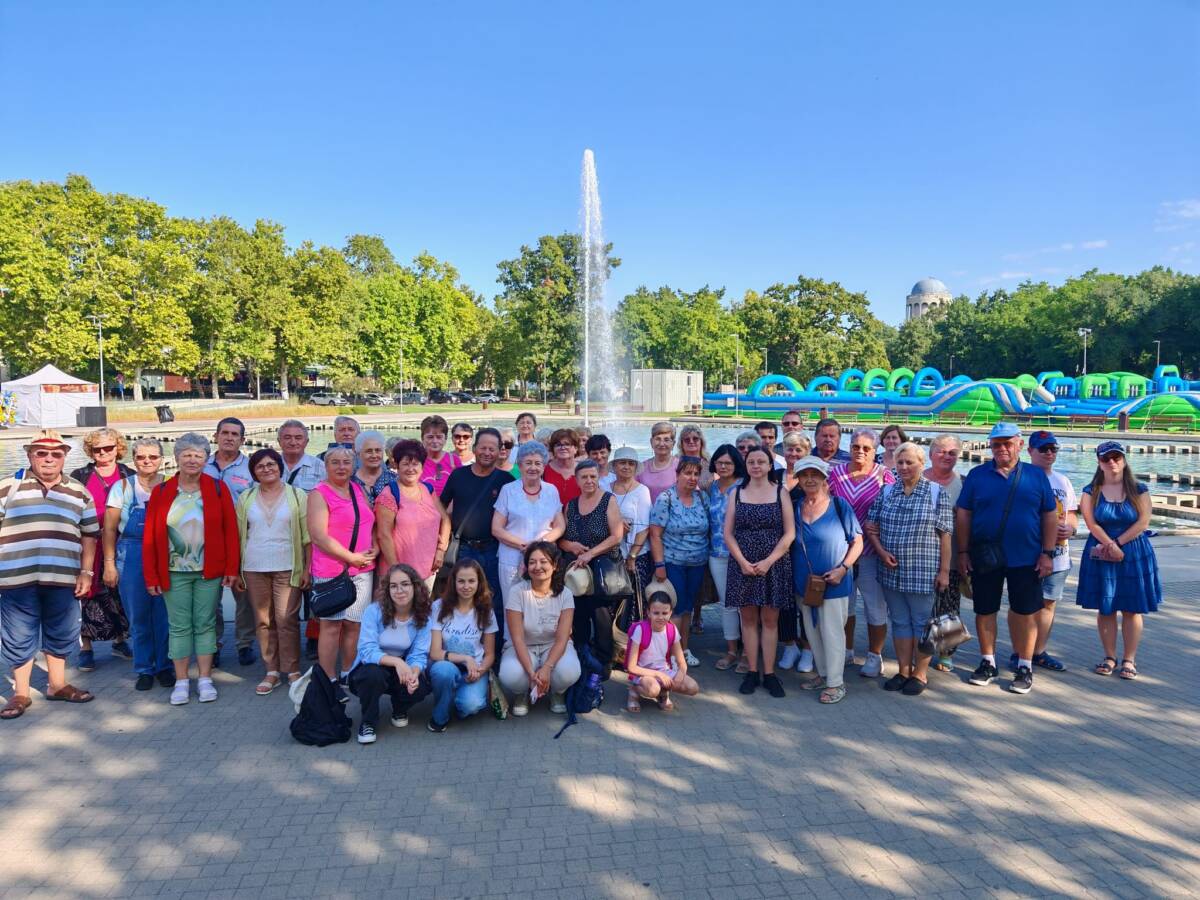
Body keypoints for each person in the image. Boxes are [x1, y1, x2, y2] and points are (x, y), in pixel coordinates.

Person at [0, 430, 100, 720]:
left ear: (65, 457)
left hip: (63, 575)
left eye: (56, 454)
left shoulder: (79, 491)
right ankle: (21, 693)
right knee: (18, 634)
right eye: (41, 453)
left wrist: (86, 572)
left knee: (61, 630)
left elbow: (90, 535)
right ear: (30, 455)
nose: (48, 459)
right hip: (16, 576)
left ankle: (57, 685)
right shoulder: (8, 486)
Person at [957, 423, 1057, 695]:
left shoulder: (1036, 476)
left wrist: (1048, 553)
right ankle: (987, 662)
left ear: (1020, 445)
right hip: (985, 556)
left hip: (1026, 556)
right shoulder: (977, 475)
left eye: (1007, 443)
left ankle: (1025, 665)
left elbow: (1049, 515)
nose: (1002, 448)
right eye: (996, 444)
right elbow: (964, 514)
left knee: (1026, 612)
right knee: (985, 609)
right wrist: (963, 552)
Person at [144, 433, 240, 706]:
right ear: (176, 458)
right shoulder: (162, 491)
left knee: (205, 623)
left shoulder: (217, 488)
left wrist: (231, 568)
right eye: (186, 455)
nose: (192, 460)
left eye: (198, 455)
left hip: (209, 570)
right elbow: (150, 537)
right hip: (173, 571)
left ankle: (205, 678)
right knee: (179, 626)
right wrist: (151, 575)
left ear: (206, 460)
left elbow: (230, 531)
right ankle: (182, 681)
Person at [864, 442, 953, 696]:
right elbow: (871, 526)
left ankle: (920, 673)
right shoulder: (887, 491)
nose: (903, 467)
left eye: (909, 462)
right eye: (900, 462)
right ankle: (903, 670)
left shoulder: (936, 492)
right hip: (891, 570)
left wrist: (944, 571)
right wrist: (881, 551)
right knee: (900, 621)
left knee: (923, 623)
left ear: (921, 464)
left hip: (923, 571)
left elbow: (945, 535)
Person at [1076, 442, 1161, 681]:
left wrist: (1119, 543)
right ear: (1099, 462)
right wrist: (1110, 545)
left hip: (1134, 551)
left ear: (1124, 460)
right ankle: (1109, 657)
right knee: (1107, 607)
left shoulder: (1139, 489)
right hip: (1102, 549)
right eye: (1106, 458)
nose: (1112, 462)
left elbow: (1143, 522)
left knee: (1132, 608)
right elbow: (1091, 523)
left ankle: (1129, 660)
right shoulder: (1091, 490)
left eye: (1116, 457)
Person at [236, 448, 311, 695]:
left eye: (271, 464)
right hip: (254, 566)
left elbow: (307, 536)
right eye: (260, 466)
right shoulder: (246, 497)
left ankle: (292, 668)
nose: (266, 469)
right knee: (263, 620)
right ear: (253, 472)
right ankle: (271, 670)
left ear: (279, 467)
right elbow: (239, 534)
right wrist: (236, 570)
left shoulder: (297, 495)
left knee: (286, 618)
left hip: (288, 566)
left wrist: (307, 568)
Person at [724, 446, 795, 697]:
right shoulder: (736, 493)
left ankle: (770, 673)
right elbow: (728, 533)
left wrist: (768, 561)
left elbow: (789, 533)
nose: (756, 466)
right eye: (751, 462)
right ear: (746, 466)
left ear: (769, 465)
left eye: (761, 462)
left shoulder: (780, 492)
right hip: (742, 564)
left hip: (773, 564)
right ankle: (753, 671)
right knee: (748, 620)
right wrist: (743, 562)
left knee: (770, 620)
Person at [791, 457, 863, 705]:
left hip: (834, 582)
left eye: (815, 474)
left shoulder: (839, 506)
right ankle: (823, 674)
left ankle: (836, 682)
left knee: (833, 633)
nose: (809, 479)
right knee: (812, 632)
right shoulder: (795, 507)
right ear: (798, 479)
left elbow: (857, 542)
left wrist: (843, 569)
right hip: (805, 583)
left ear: (824, 477)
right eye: (804, 475)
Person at [308, 446, 378, 688]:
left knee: (354, 624)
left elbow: (369, 522)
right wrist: (350, 557)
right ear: (326, 466)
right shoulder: (319, 494)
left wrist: (375, 547)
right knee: (331, 626)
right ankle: (328, 677)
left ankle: (348, 670)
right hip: (332, 570)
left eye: (346, 463)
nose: (341, 467)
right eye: (335, 462)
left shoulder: (357, 489)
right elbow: (318, 536)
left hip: (362, 569)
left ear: (353, 466)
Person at [103, 438, 170, 691]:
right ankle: (144, 668)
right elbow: (110, 529)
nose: (147, 461)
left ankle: (165, 666)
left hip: (165, 552)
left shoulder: (171, 484)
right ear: (133, 460)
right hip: (131, 552)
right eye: (141, 457)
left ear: (161, 459)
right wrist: (109, 564)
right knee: (138, 614)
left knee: (164, 614)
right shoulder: (122, 487)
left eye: (153, 457)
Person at [829, 428, 895, 678]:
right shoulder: (836, 473)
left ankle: (874, 655)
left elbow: (892, 508)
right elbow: (825, 503)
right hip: (841, 552)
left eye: (866, 448)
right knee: (845, 607)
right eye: (856, 446)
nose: (860, 452)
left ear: (875, 450)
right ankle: (847, 651)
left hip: (871, 552)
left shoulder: (884, 475)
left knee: (875, 607)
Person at [71, 427, 134, 670]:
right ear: (91, 451)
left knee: (118, 593)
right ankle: (86, 647)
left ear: (118, 448)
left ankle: (119, 640)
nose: (103, 453)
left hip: (121, 541)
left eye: (108, 447)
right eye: (97, 449)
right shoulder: (80, 475)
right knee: (87, 593)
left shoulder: (128, 474)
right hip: (88, 542)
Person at [348, 563, 432, 744]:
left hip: (400, 667)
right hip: (371, 666)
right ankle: (368, 721)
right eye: (393, 586)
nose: (399, 590)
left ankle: (399, 708)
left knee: (421, 687)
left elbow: (419, 654)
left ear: (415, 586)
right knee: (373, 675)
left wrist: (414, 672)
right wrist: (397, 662)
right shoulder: (373, 611)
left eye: (405, 584)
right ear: (387, 590)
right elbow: (366, 650)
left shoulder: (423, 616)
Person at [1018, 431, 1078, 673]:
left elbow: (1071, 514)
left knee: (1049, 604)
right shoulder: (1021, 478)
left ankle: (1038, 651)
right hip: (1028, 553)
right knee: (1024, 606)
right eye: (1043, 449)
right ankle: (1020, 651)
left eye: (1053, 449)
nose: (1049, 453)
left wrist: (1071, 529)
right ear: (1030, 451)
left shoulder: (1063, 481)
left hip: (1059, 555)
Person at [499, 541, 581, 716]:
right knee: (509, 674)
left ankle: (557, 692)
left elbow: (562, 638)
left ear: (555, 565)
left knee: (569, 671)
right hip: (524, 646)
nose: (537, 567)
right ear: (526, 566)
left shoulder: (565, 594)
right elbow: (517, 638)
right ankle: (521, 693)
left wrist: (547, 667)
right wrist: (531, 673)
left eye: (543, 561)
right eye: (532, 562)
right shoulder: (517, 592)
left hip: (553, 645)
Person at [203, 416, 256, 667]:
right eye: (225, 433)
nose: (229, 438)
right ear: (216, 436)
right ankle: (213, 644)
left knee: (243, 595)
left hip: (243, 538)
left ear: (242, 440)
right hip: (208, 540)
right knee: (210, 597)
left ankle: (244, 643)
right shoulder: (202, 465)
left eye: (235, 434)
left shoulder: (251, 469)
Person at [648, 456, 709, 667]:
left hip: (698, 563)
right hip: (673, 562)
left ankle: (684, 648)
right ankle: (670, 654)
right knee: (675, 607)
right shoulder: (666, 499)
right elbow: (655, 534)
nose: (692, 478)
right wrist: (659, 565)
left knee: (688, 607)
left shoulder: (702, 498)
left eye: (696, 474)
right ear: (678, 474)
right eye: (687, 473)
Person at [560, 459, 625, 652]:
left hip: (601, 569)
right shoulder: (571, 505)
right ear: (576, 480)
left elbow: (617, 536)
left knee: (601, 617)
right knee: (578, 615)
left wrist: (590, 554)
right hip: (577, 571)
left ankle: (604, 658)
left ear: (598, 478)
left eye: (593, 476)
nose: (589, 481)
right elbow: (562, 540)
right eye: (584, 477)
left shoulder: (608, 500)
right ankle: (582, 655)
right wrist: (570, 545)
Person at [427, 559, 498, 733]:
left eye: (471, 581)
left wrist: (480, 670)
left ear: (479, 583)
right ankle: (440, 716)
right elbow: (434, 652)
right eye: (461, 581)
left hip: (474, 668)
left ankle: (457, 697)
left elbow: (490, 654)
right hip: (446, 663)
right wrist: (466, 658)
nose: (466, 586)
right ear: (453, 582)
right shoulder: (439, 607)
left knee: (470, 705)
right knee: (444, 672)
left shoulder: (486, 610)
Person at [493, 441, 566, 605]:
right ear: (519, 465)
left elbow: (560, 526)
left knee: (543, 606)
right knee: (512, 606)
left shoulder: (551, 490)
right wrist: (525, 546)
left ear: (544, 466)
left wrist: (539, 545)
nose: (533, 467)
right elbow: (496, 528)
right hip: (512, 559)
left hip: (544, 559)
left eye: (538, 463)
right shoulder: (508, 490)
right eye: (528, 463)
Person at [375, 440, 451, 590]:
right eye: (405, 464)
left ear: (422, 467)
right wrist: (397, 571)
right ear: (397, 466)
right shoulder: (389, 495)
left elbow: (445, 520)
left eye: (415, 464)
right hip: (398, 572)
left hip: (428, 568)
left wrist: (441, 550)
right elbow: (383, 536)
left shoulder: (428, 489)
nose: (411, 469)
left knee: (423, 605)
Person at [922, 435, 965, 673]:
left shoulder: (964, 483)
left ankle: (946, 651)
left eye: (952, 453)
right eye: (941, 451)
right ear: (930, 454)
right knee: (922, 604)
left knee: (948, 603)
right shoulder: (918, 478)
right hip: (920, 553)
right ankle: (921, 648)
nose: (946, 456)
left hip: (953, 553)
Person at [624, 590, 700, 712]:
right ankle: (634, 691)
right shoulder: (640, 630)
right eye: (656, 613)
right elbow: (631, 667)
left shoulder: (672, 629)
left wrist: (680, 675)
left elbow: (682, 663)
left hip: (664, 671)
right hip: (643, 673)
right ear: (648, 612)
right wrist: (658, 674)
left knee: (692, 687)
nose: (660, 617)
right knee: (653, 689)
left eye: (664, 613)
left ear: (670, 613)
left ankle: (663, 693)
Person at [707, 445, 747, 673]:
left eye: (728, 463)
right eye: (719, 462)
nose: (723, 466)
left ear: (736, 465)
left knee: (745, 605)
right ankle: (732, 650)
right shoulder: (711, 487)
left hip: (741, 554)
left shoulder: (744, 486)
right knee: (727, 604)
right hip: (717, 554)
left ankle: (748, 652)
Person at [777, 430, 812, 669]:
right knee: (783, 600)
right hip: (777, 547)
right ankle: (789, 645)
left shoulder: (810, 478)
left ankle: (808, 648)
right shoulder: (774, 475)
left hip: (802, 547)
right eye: (789, 448)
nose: (793, 453)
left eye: (799, 449)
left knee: (806, 600)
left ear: (806, 453)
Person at [610, 447, 653, 587]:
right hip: (610, 553)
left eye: (631, 463)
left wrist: (632, 556)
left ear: (635, 468)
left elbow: (644, 527)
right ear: (614, 466)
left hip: (635, 554)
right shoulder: (604, 488)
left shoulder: (642, 491)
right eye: (622, 462)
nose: (626, 467)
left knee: (636, 596)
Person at [351, 430, 397, 507]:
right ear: (358, 454)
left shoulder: (394, 479)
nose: (374, 455)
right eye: (369, 451)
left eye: (378, 450)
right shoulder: (350, 482)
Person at [419, 415, 461, 495]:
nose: (435, 441)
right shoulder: (417, 461)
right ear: (422, 438)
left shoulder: (455, 460)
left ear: (445, 438)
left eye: (439, 437)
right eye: (430, 437)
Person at [277, 420, 323, 492]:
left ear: (306, 441)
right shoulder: (268, 467)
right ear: (279, 441)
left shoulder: (321, 467)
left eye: (298, 438)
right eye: (287, 438)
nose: (293, 442)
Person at [637, 422, 678, 503]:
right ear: (651, 442)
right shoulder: (641, 468)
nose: (661, 444)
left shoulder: (681, 467)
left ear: (673, 444)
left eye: (666, 440)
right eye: (658, 439)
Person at [543, 428, 582, 505]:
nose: (563, 448)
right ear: (553, 449)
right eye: (558, 445)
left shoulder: (584, 469)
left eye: (567, 444)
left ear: (576, 449)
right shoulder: (543, 470)